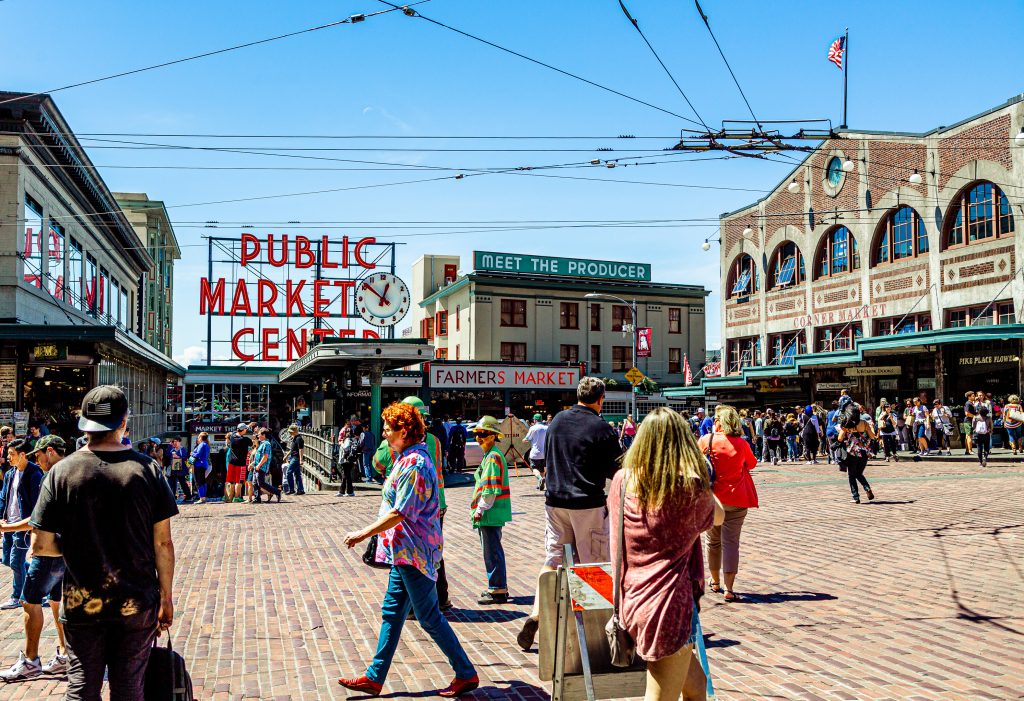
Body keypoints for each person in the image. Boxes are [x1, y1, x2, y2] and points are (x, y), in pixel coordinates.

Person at [29, 385, 178, 699]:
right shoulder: (148, 470)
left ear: (85, 423)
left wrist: (76, 546)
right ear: (124, 422)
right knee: (129, 689)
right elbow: (163, 543)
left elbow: (39, 545)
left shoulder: (60, 472)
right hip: (136, 602)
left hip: (82, 602)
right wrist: (166, 597)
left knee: (82, 687)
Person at [339, 402, 478, 698]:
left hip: (414, 552)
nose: (385, 434)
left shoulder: (414, 463)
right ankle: (375, 677)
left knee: (428, 616)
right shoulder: (405, 458)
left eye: (388, 429)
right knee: (392, 612)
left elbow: (401, 511)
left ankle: (465, 672)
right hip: (405, 552)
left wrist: (363, 533)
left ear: (404, 431)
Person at [609, 407, 724, 701]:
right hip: (669, 604)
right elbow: (718, 515)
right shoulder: (687, 488)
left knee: (696, 687)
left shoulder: (622, 480)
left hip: (633, 597)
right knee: (660, 697)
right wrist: (701, 474)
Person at [517, 377, 621, 651]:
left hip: (555, 501)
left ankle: (535, 614)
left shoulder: (557, 422)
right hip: (587, 503)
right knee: (592, 565)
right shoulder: (602, 428)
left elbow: (547, 459)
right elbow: (616, 471)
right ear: (601, 399)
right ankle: (589, 632)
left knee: (552, 560)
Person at [0, 435, 69, 681]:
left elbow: (37, 519)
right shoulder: (70, 472)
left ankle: (31, 661)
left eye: (38, 456)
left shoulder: (51, 476)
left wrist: (5, 529)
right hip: (64, 553)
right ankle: (65, 655)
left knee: (29, 601)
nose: (37, 461)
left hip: (48, 553)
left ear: (49, 451)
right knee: (57, 603)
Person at [372, 396, 450, 610]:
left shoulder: (399, 447)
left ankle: (419, 604)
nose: (385, 432)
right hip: (437, 503)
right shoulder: (433, 441)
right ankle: (440, 597)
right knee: (434, 555)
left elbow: (377, 464)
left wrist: (364, 533)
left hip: (406, 507)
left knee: (411, 557)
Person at [698, 405, 758, 603]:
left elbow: (696, 464)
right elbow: (752, 464)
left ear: (718, 422)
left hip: (713, 499)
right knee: (731, 543)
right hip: (737, 499)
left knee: (712, 541)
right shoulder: (741, 444)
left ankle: (715, 582)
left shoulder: (707, 440)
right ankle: (729, 588)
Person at [470, 416, 512, 605]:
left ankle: (497, 589)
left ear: (494, 436)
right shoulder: (491, 455)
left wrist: (480, 509)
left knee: (492, 551)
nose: (479, 438)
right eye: (477, 434)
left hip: (490, 512)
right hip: (491, 512)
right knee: (493, 549)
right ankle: (497, 587)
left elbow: (490, 489)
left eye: (484, 434)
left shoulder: (493, 456)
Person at [0, 439, 43, 610]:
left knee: (16, 561)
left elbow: (36, 505)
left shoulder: (34, 474)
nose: (8, 457)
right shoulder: (10, 474)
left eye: (11, 454)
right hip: (8, 523)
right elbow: (3, 497)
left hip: (22, 525)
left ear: (22, 455)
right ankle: (38, 578)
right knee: (7, 560)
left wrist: (31, 526)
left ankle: (17, 596)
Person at [836, 407, 877, 504]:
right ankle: (867, 488)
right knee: (859, 473)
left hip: (852, 452)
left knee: (851, 475)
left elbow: (840, 438)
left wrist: (844, 430)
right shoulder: (864, 422)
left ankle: (856, 497)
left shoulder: (846, 424)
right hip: (863, 452)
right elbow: (872, 436)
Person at [252, 428, 282, 503]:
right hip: (256, 466)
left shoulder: (267, 444)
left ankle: (276, 491)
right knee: (255, 483)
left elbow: (265, 456)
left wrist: (259, 465)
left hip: (261, 467)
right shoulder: (262, 443)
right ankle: (257, 498)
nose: (258, 436)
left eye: (259, 434)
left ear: (263, 435)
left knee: (261, 483)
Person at [226, 424, 252, 503]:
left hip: (231, 462)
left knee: (231, 481)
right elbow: (251, 443)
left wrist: (248, 425)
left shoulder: (232, 437)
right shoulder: (245, 440)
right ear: (243, 430)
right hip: (240, 463)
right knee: (239, 481)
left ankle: (230, 497)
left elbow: (235, 432)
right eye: (245, 429)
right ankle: (237, 497)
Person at [524, 413, 548, 490]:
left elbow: (527, 438)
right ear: (541, 419)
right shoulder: (547, 428)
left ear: (535, 420)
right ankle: (540, 484)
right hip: (545, 453)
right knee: (542, 468)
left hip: (535, 453)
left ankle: (540, 479)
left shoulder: (533, 428)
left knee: (534, 467)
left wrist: (524, 440)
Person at [165, 437, 192, 502]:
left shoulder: (183, 449)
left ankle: (188, 496)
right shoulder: (172, 449)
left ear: (180, 442)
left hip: (181, 469)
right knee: (172, 483)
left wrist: (178, 457)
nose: (175, 443)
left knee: (183, 483)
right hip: (173, 469)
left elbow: (185, 458)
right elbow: (167, 455)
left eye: (176, 441)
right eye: (174, 441)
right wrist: (169, 446)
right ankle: (173, 496)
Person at [338, 424, 361, 497]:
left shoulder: (347, 439)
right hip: (351, 459)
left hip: (346, 460)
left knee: (347, 476)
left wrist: (341, 444)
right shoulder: (354, 439)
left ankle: (350, 492)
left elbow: (346, 448)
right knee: (345, 476)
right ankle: (342, 491)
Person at [284, 425, 306, 495]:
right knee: (297, 474)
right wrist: (287, 455)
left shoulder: (299, 439)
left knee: (289, 472)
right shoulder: (295, 438)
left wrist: (301, 459)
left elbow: (301, 449)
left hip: (296, 458)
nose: (290, 433)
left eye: (291, 432)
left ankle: (291, 489)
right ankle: (300, 489)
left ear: (294, 431)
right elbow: (292, 449)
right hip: (293, 456)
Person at [190, 432, 211, 503]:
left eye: (199, 437)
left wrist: (192, 453)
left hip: (199, 464)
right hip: (204, 464)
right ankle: (203, 497)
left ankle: (201, 498)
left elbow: (198, 454)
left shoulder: (202, 444)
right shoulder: (207, 445)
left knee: (199, 482)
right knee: (203, 481)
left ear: (201, 437)